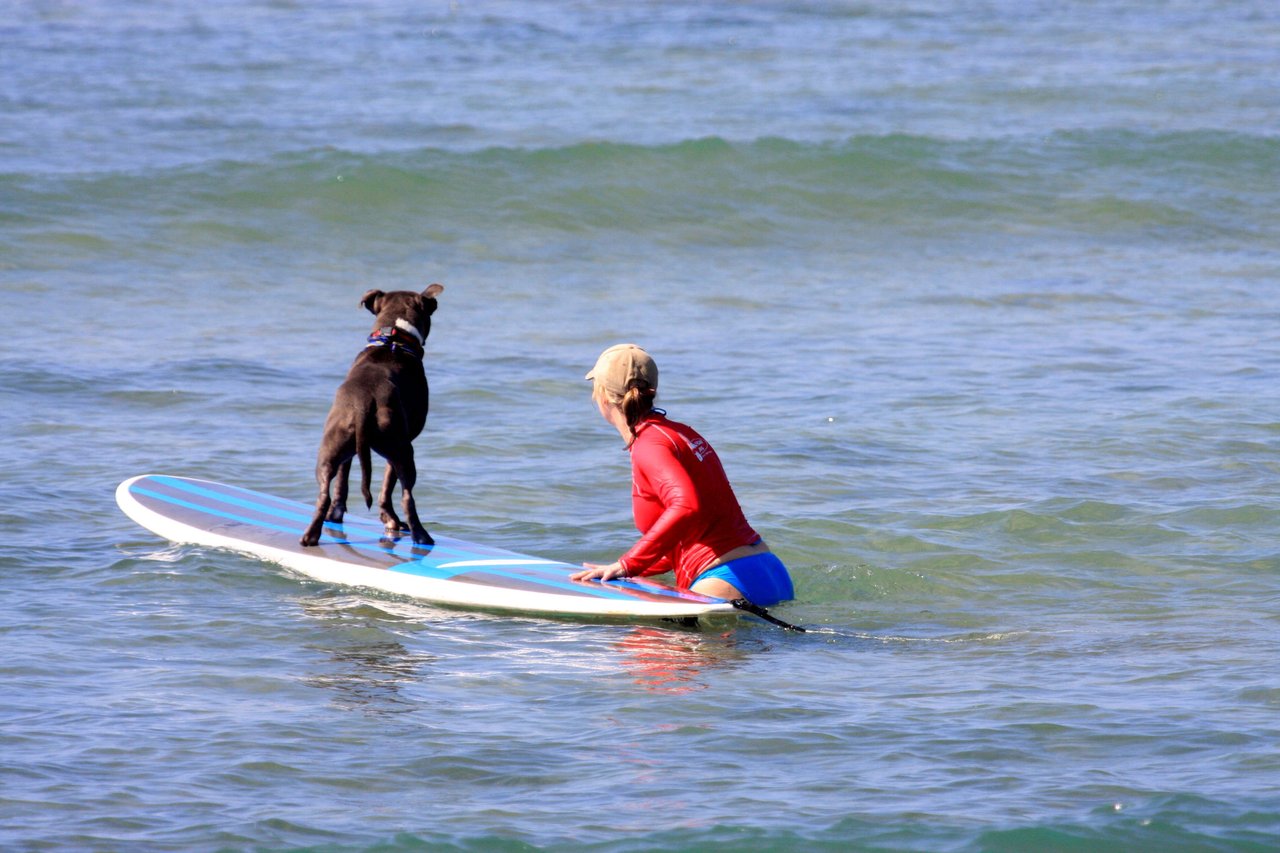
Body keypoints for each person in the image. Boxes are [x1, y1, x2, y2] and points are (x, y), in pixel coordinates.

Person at [570, 344, 794, 606]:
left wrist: (627, 564)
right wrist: (627, 567)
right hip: (766, 569)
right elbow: (688, 535)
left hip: (724, 579)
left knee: (640, 644)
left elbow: (686, 505)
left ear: (604, 396)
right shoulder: (681, 433)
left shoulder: (649, 444)